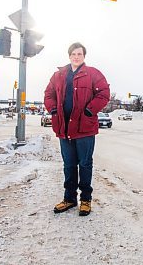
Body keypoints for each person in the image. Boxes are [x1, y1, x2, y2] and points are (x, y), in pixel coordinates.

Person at [44, 42, 110, 216]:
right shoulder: (58, 75)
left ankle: (86, 200)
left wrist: (89, 110)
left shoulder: (93, 74)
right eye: (73, 54)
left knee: (85, 164)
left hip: (84, 129)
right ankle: (69, 199)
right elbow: (48, 94)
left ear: (84, 56)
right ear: (69, 55)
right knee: (69, 165)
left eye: (79, 54)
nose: (76, 57)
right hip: (64, 128)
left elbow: (104, 93)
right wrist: (53, 109)